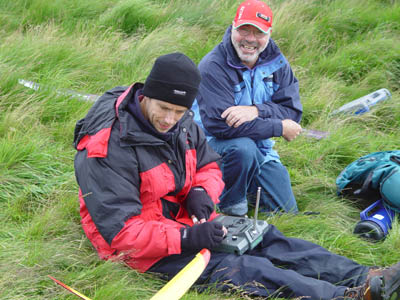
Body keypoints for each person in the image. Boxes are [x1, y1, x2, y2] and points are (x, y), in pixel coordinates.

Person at [73, 52, 400, 300]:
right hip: (140, 247)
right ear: (145, 96)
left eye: (179, 111)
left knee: (267, 237)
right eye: (163, 108)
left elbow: (209, 166)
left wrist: (201, 192)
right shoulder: (105, 148)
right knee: (244, 268)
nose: (170, 119)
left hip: (187, 221)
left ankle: (367, 276)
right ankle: (350, 297)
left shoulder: (182, 121)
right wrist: (186, 240)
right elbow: (121, 234)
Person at [191, 0, 302, 217]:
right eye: (244, 30)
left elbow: (292, 111)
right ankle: (231, 206)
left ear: (269, 34)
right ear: (233, 27)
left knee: (286, 213)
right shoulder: (213, 66)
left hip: (261, 148)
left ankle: (245, 182)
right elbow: (220, 126)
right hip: (208, 147)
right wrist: (278, 128)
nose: (250, 39)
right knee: (242, 149)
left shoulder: (277, 63)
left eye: (258, 32)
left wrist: (256, 110)